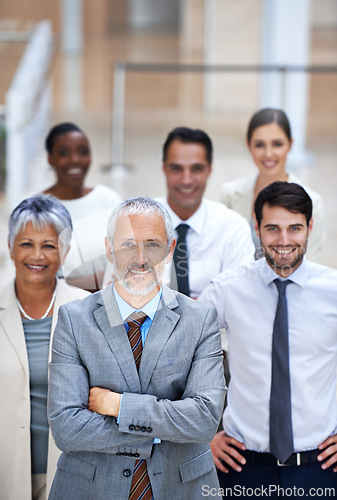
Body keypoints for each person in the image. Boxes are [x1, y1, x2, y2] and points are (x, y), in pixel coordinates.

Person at [47, 197, 226, 500]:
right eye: (128, 244)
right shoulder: (74, 320)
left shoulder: (200, 320)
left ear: (169, 250)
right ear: (109, 248)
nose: (140, 258)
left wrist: (118, 407)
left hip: (182, 488)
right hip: (90, 489)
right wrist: (158, 433)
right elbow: (66, 427)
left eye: (153, 244)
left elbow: (204, 420)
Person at [199, 182, 337, 495]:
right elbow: (174, 356)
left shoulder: (333, 291)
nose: (284, 241)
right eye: (273, 228)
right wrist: (202, 435)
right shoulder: (227, 291)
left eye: (295, 228)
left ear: (310, 227)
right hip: (242, 469)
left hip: (322, 471)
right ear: (257, 227)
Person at [0, 195, 89, 500]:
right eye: (26, 243)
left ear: (64, 251)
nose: (36, 255)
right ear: (11, 248)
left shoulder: (89, 312)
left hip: (74, 475)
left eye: (49, 245)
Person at [103, 126, 255, 302]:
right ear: (164, 168)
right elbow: (113, 294)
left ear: (209, 170)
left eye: (196, 169)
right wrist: (205, 300)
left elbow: (238, 301)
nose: (186, 179)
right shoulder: (132, 220)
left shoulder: (232, 228)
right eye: (177, 169)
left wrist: (148, 298)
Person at [220, 108, 325, 262]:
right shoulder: (229, 195)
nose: (268, 154)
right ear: (248, 146)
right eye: (260, 145)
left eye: (277, 144)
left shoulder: (313, 202)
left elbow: (311, 265)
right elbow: (222, 256)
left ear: (290, 145)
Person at [44, 122, 121, 291]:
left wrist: (62, 284)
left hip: (107, 306)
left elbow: (126, 265)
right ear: (50, 158)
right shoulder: (38, 207)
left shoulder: (108, 200)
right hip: (55, 309)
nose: (75, 159)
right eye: (64, 152)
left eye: (83, 152)